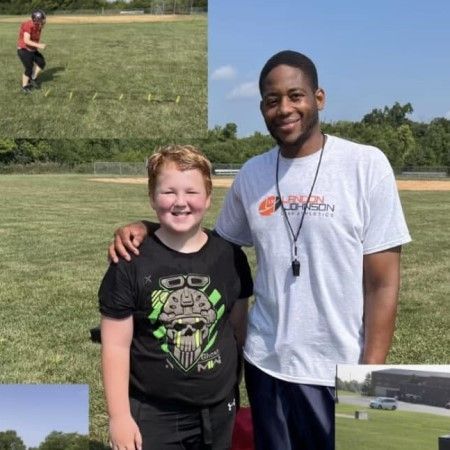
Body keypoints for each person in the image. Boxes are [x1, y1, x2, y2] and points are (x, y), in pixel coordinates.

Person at [108, 51, 411, 450]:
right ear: (262, 108)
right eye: (272, 100)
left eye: (295, 95)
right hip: (267, 365)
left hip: (339, 369)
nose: (284, 108)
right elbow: (209, 243)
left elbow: (383, 284)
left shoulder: (365, 165)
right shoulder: (253, 174)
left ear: (318, 98)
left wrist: (370, 376)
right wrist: (147, 227)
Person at [99, 145, 253, 450]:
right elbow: (115, 346)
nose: (180, 202)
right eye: (168, 192)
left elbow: (238, 332)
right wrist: (119, 417)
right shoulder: (130, 261)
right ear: (152, 197)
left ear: (209, 197)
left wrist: (232, 391)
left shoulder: (230, 258)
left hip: (219, 408)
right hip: (154, 412)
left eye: (191, 192)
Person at [17, 9, 47, 94]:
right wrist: (39, 45)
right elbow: (26, 40)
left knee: (41, 62)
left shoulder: (38, 25)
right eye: (42, 19)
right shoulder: (28, 25)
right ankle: (25, 87)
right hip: (24, 49)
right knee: (29, 68)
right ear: (36, 19)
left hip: (32, 49)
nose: (43, 21)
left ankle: (32, 79)